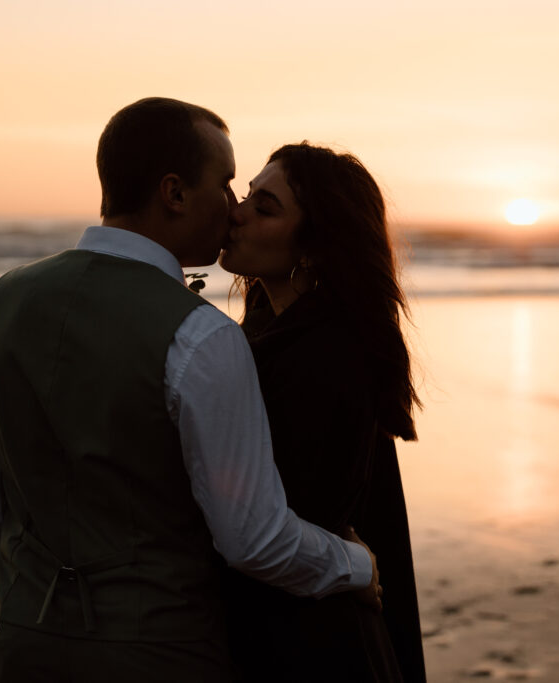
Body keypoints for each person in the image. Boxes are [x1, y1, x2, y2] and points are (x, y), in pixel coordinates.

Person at [0, 98, 382, 683]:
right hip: (161, 650)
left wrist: (0, 606)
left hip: (20, 645)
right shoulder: (201, 335)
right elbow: (251, 538)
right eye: (226, 184)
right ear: (174, 193)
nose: (232, 206)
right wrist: (357, 565)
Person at [218, 143, 425, 682]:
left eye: (265, 208)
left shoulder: (326, 357)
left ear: (313, 248)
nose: (236, 212)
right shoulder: (266, 331)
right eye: (247, 195)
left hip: (312, 642)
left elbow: (273, 523)